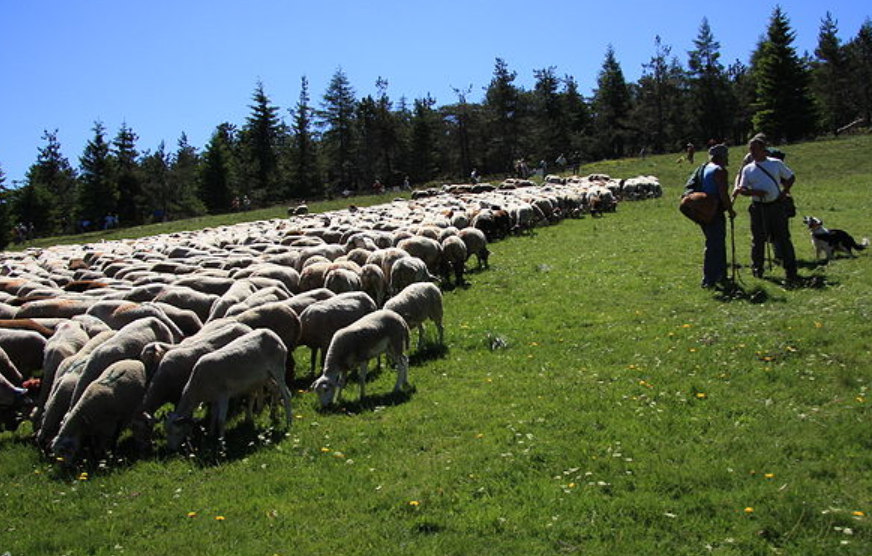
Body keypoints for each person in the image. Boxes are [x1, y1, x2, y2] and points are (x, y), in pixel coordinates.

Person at [733, 135, 798, 282]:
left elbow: (791, 177)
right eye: (751, 150)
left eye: (755, 149)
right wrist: (754, 192)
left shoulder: (776, 163)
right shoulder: (747, 169)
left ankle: (791, 270)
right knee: (758, 240)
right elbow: (742, 189)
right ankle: (758, 270)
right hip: (757, 208)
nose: (752, 153)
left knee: (783, 239)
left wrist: (784, 192)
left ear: (764, 150)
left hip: (776, 207)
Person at [698, 144, 736, 288]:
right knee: (715, 244)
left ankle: (720, 275)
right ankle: (709, 279)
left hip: (704, 210)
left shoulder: (705, 168)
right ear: (721, 156)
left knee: (715, 242)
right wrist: (730, 210)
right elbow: (723, 193)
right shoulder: (720, 171)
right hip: (715, 210)